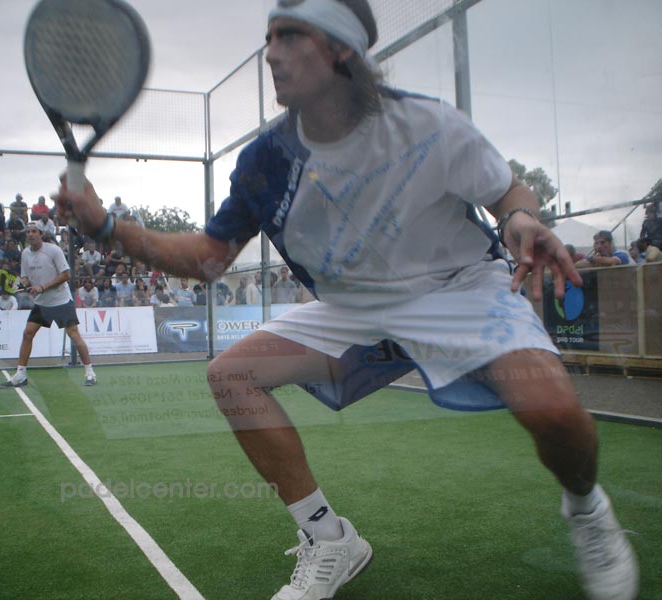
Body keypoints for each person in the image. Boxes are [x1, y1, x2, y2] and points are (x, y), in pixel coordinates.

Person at [53, 2, 638, 599]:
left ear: (340, 50)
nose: (271, 54)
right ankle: (329, 539)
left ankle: (586, 509)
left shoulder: (429, 124)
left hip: (460, 287)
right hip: (354, 307)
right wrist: (108, 227)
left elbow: (508, 189)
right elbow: (207, 258)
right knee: (231, 375)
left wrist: (518, 218)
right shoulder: (264, 162)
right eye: (269, 38)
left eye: (289, 36)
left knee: (556, 414)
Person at [0, 222, 97, 388]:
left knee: (74, 335)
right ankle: (21, 375)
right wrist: (26, 283)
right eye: (28, 232)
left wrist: (43, 287)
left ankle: (90, 373)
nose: (30, 234)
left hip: (61, 300)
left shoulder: (53, 250)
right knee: (28, 334)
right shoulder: (25, 254)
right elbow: (25, 276)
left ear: (41, 234)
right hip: (41, 303)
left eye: (34, 231)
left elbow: (66, 275)